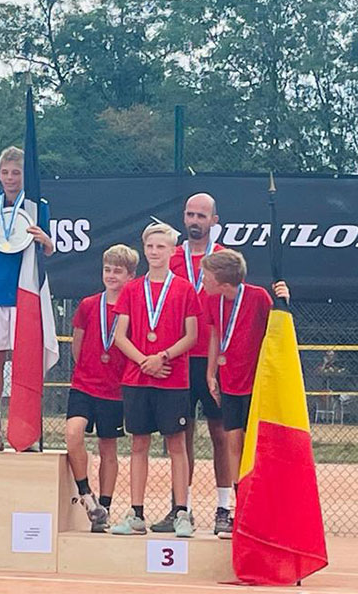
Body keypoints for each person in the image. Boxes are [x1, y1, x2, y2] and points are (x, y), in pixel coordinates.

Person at [110, 223, 201, 538]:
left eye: (161, 247)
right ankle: (136, 514)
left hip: (173, 378)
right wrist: (143, 362)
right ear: (144, 248)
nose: (154, 252)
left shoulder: (185, 288)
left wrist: (161, 357)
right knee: (139, 443)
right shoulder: (133, 289)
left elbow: (192, 336)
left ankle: (181, 512)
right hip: (137, 378)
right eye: (150, 246)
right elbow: (120, 336)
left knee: (176, 444)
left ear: (173, 251)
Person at [200, 250, 290, 537]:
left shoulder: (258, 297)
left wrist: (284, 300)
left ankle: (266, 509)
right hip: (229, 382)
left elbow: (278, 328)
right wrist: (211, 372)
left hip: (256, 383)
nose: (203, 280)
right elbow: (215, 335)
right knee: (232, 442)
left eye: (206, 276)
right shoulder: (213, 300)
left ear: (222, 280)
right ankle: (242, 511)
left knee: (257, 446)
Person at [154, 192, 229, 535]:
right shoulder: (171, 258)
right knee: (180, 438)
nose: (195, 220)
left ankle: (223, 509)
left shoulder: (224, 260)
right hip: (179, 359)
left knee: (220, 435)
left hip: (213, 361)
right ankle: (179, 509)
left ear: (214, 220)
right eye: (190, 215)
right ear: (183, 219)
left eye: (202, 215)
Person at [0, 146, 54, 450]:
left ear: (24, 175)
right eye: (4, 172)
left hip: (24, 294)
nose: (9, 178)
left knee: (24, 362)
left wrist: (45, 239)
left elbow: (48, 250)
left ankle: (24, 429)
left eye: (16, 172)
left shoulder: (36, 206)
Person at [66, 244, 139, 532]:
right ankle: (86, 494)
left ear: (131, 276)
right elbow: (77, 345)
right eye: (107, 269)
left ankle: (104, 509)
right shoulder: (88, 305)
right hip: (84, 385)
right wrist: (87, 368)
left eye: (118, 271)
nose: (111, 275)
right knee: (73, 434)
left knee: (108, 448)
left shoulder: (133, 308)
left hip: (115, 390)